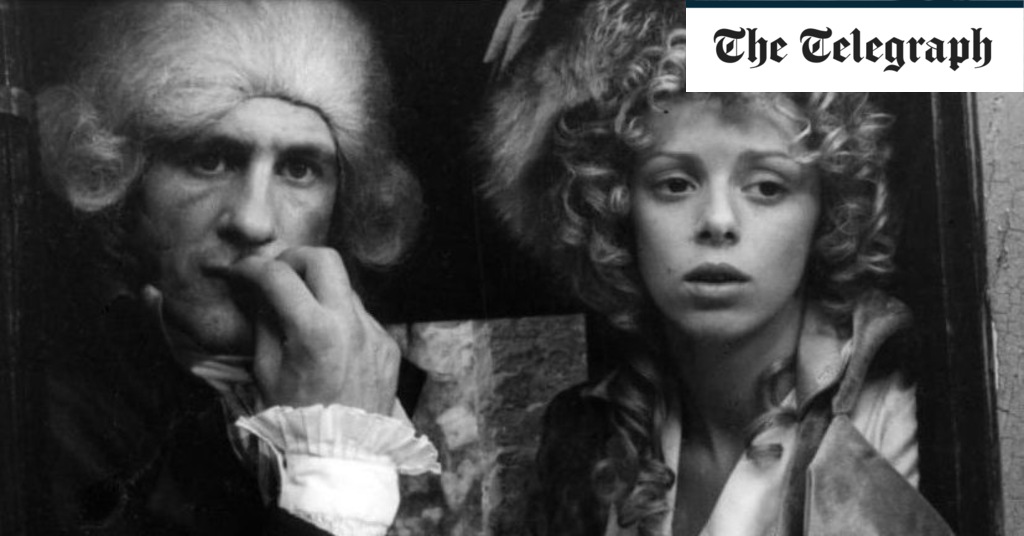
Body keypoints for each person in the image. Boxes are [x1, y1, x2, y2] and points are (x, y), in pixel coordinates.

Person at [480, 0, 955, 534]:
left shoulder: (898, 415)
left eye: (767, 187)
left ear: (825, 213)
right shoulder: (584, 438)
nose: (718, 221)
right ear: (617, 208)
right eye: (675, 184)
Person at [35, 1, 437, 535]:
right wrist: (336, 471)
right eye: (210, 160)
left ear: (341, 210)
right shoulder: (48, 418)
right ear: (122, 181)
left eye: (299, 169)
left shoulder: (380, 396)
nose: (252, 220)